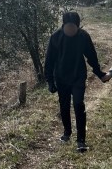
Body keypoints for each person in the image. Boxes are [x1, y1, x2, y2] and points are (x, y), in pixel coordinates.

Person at [44, 11, 106, 152]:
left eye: (73, 27)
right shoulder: (55, 37)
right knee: (64, 106)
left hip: (78, 76)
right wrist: (50, 81)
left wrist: (99, 73)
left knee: (78, 104)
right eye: (68, 26)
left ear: (78, 26)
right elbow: (49, 61)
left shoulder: (83, 36)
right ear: (63, 25)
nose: (71, 29)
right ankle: (67, 133)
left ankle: (81, 140)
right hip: (61, 77)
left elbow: (91, 57)